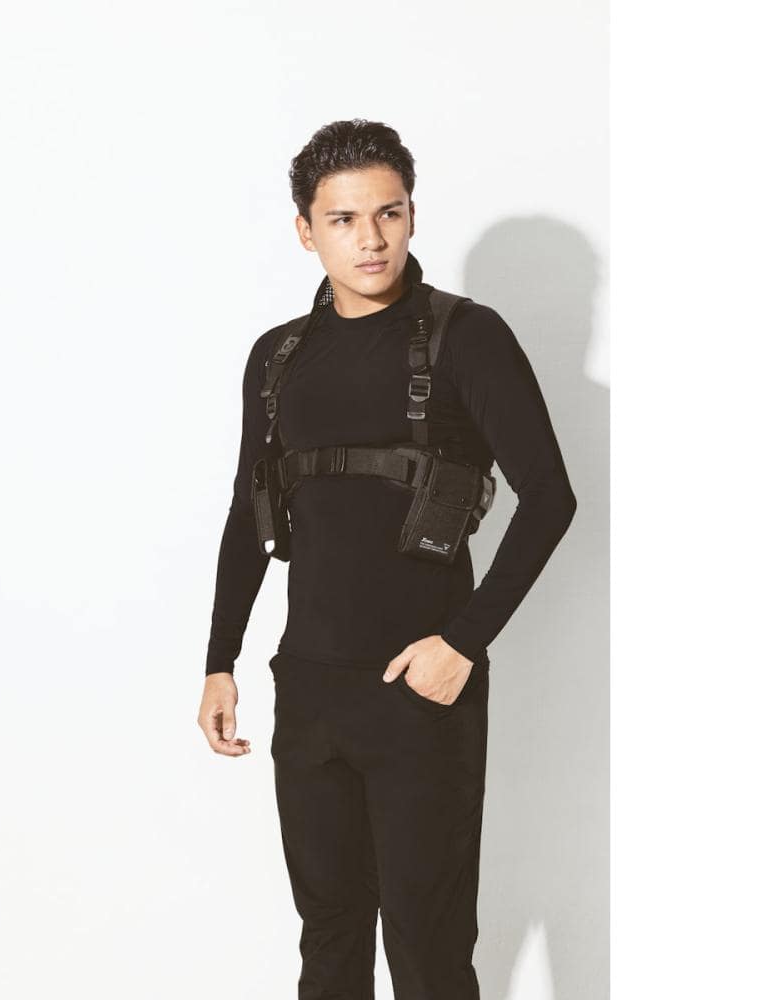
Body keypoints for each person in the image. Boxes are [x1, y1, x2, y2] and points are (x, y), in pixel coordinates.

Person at [196, 118, 577, 1000]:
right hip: (309, 688)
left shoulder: (465, 336)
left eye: (389, 213)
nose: (370, 239)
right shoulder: (278, 356)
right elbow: (248, 511)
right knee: (329, 943)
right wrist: (221, 659)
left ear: (410, 215)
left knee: (428, 952)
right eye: (343, 219)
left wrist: (463, 643)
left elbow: (550, 498)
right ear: (306, 230)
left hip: (420, 692)